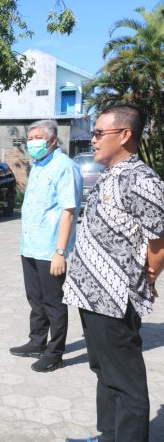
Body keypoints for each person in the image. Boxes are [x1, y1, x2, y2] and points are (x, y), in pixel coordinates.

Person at [63, 105, 164, 441]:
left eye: (98, 133)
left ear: (124, 135)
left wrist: (148, 275)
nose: (91, 140)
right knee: (103, 371)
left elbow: (159, 240)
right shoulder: (110, 174)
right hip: (88, 293)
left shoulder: (142, 180)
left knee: (126, 384)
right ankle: (108, 435)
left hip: (114, 297)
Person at [9, 119, 82, 372]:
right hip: (30, 246)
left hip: (51, 249)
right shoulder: (39, 165)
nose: (32, 142)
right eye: (30, 138)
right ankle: (36, 342)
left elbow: (69, 211)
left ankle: (56, 352)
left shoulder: (64, 167)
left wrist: (60, 252)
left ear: (52, 140)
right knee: (35, 299)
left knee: (53, 302)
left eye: (37, 137)